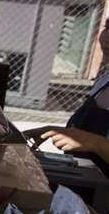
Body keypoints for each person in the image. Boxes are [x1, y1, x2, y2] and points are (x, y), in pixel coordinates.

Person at [25, 17, 109, 178]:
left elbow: (91, 140)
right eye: (107, 26)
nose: (106, 37)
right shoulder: (105, 80)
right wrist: (55, 131)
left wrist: (92, 142)